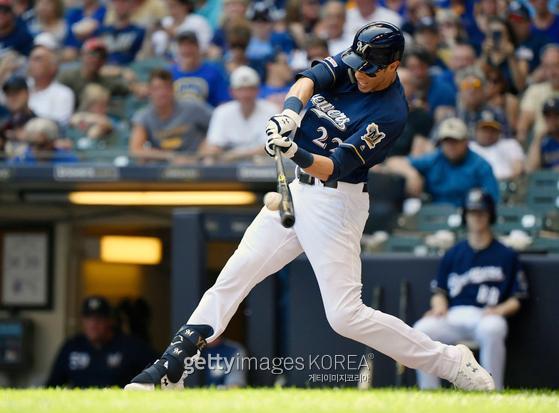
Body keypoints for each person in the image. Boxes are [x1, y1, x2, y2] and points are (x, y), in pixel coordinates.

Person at [125, 22, 495, 392]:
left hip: (336, 201)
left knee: (345, 316)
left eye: (370, 70)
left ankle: (450, 361)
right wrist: (288, 114)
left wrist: (293, 152)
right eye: (358, 65)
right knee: (234, 276)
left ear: (393, 66)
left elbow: (334, 165)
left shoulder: (391, 113)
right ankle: (173, 368)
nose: (360, 74)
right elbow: (309, 80)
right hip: (296, 193)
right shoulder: (354, 65)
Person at [414, 189, 528, 390]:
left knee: (493, 327)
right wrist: (439, 307)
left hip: (486, 313)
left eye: (481, 212)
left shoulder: (506, 254)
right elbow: (439, 291)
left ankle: (493, 391)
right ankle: (429, 391)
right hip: (455, 314)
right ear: (464, 215)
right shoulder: (453, 253)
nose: (476, 217)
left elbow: (517, 298)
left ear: (490, 215)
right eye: (472, 212)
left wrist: (499, 311)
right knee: (423, 328)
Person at [384, 117, 500, 206]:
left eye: (455, 141)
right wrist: (412, 174)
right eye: (446, 141)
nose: (450, 146)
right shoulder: (435, 158)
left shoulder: (481, 166)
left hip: (468, 216)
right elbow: (393, 162)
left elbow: (493, 201)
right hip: (435, 217)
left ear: (466, 141)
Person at [46, 296, 156, 388]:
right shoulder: (72, 346)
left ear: (110, 321)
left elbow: (159, 374)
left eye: (99, 319)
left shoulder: (132, 346)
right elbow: (53, 384)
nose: (93, 324)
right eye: (88, 318)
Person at [130, 68, 212, 163]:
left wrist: (202, 150)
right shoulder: (143, 116)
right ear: (149, 91)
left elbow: (217, 126)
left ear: (173, 90)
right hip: (162, 168)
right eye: (156, 89)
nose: (161, 93)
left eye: (166, 88)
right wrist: (170, 156)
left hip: (197, 165)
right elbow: (136, 150)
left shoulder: (193, 108)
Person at [203, 65, 277, 162]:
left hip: (264, 167)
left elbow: (273, 146)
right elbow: (213, 145)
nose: (246, 94)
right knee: (209, 160)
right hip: (229, 167)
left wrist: (236, 154)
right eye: (241, 89)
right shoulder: (222, 112)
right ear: (232, 91)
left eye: (250, 89)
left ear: (258, 90)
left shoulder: (271, 110)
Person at [58, 37, 131, 109]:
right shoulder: (67, 77)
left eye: (101, 56)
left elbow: (130, 89)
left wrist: (123, 72)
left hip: (94, 118)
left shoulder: (106, 81)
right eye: (92, 54)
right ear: (82, 55)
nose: (96, 59)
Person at [171, 30, 230, 107]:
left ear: (198, 48)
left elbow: (223, 103)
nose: (187, 50)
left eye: (190, 45)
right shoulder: (169, 74)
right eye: (183, 45)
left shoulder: (213, 72)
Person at [517, 45, 559, 144]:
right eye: (547, 66)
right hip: (541, 145)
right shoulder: (534, 90)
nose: (552, 72)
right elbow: (524, 123)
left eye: (556, 65)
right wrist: (521, 135)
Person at [469, 110, 525, 181]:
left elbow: (518, 168)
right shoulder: (469, 147)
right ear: (476, 131)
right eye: (484, 129)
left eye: (492, 130)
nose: (488, 134)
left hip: (506, 185)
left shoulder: (510, 144)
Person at [27, 44, 75, 124]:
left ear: (53, 67)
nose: (32, 63)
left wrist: (29, 114)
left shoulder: (63, 93)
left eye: (38, 59)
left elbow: (59, 127)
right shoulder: (21, 86)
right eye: (31, 59)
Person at [98, 0, 146, 66]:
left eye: (124, 2)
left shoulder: (139, 31)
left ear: (131, 6)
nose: (120, 5)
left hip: (128, 69)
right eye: (117, 2)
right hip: (104, 69)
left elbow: (142, 56)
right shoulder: (103, 30)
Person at [0, 75, 35, 153]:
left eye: (16, 93)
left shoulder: (38, 121)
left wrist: (30, 137)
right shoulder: (4, 123)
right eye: (8, 94)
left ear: (27, 94)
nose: (12, 98)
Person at [526, 97, 559, 172]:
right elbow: (531, 169)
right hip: (549, 182)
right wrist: (538, 138)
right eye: (548, 116)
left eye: (556, 115)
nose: (552, 119)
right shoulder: (543, 142)